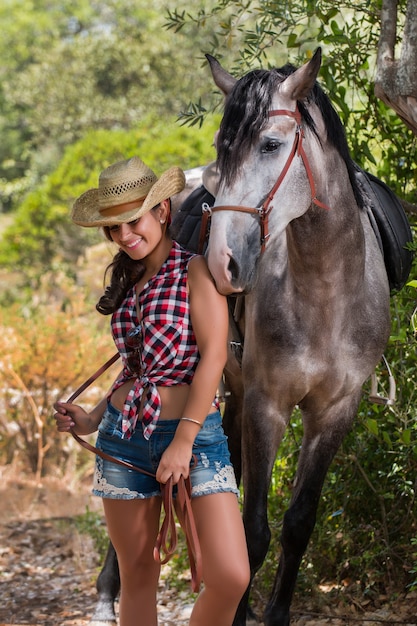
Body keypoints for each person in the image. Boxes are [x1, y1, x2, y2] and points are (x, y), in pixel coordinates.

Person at [53, 156, 250, 626]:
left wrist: (183, 442)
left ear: (161, 211)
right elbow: (135, 370)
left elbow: (214, 359)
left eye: (132, 221)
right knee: (138, 576)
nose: (124, 236)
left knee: (230, 576)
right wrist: (94, 417)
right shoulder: (128, 280)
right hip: (124, 438)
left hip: (195, 439)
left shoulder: (196, 271)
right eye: (113, 228)